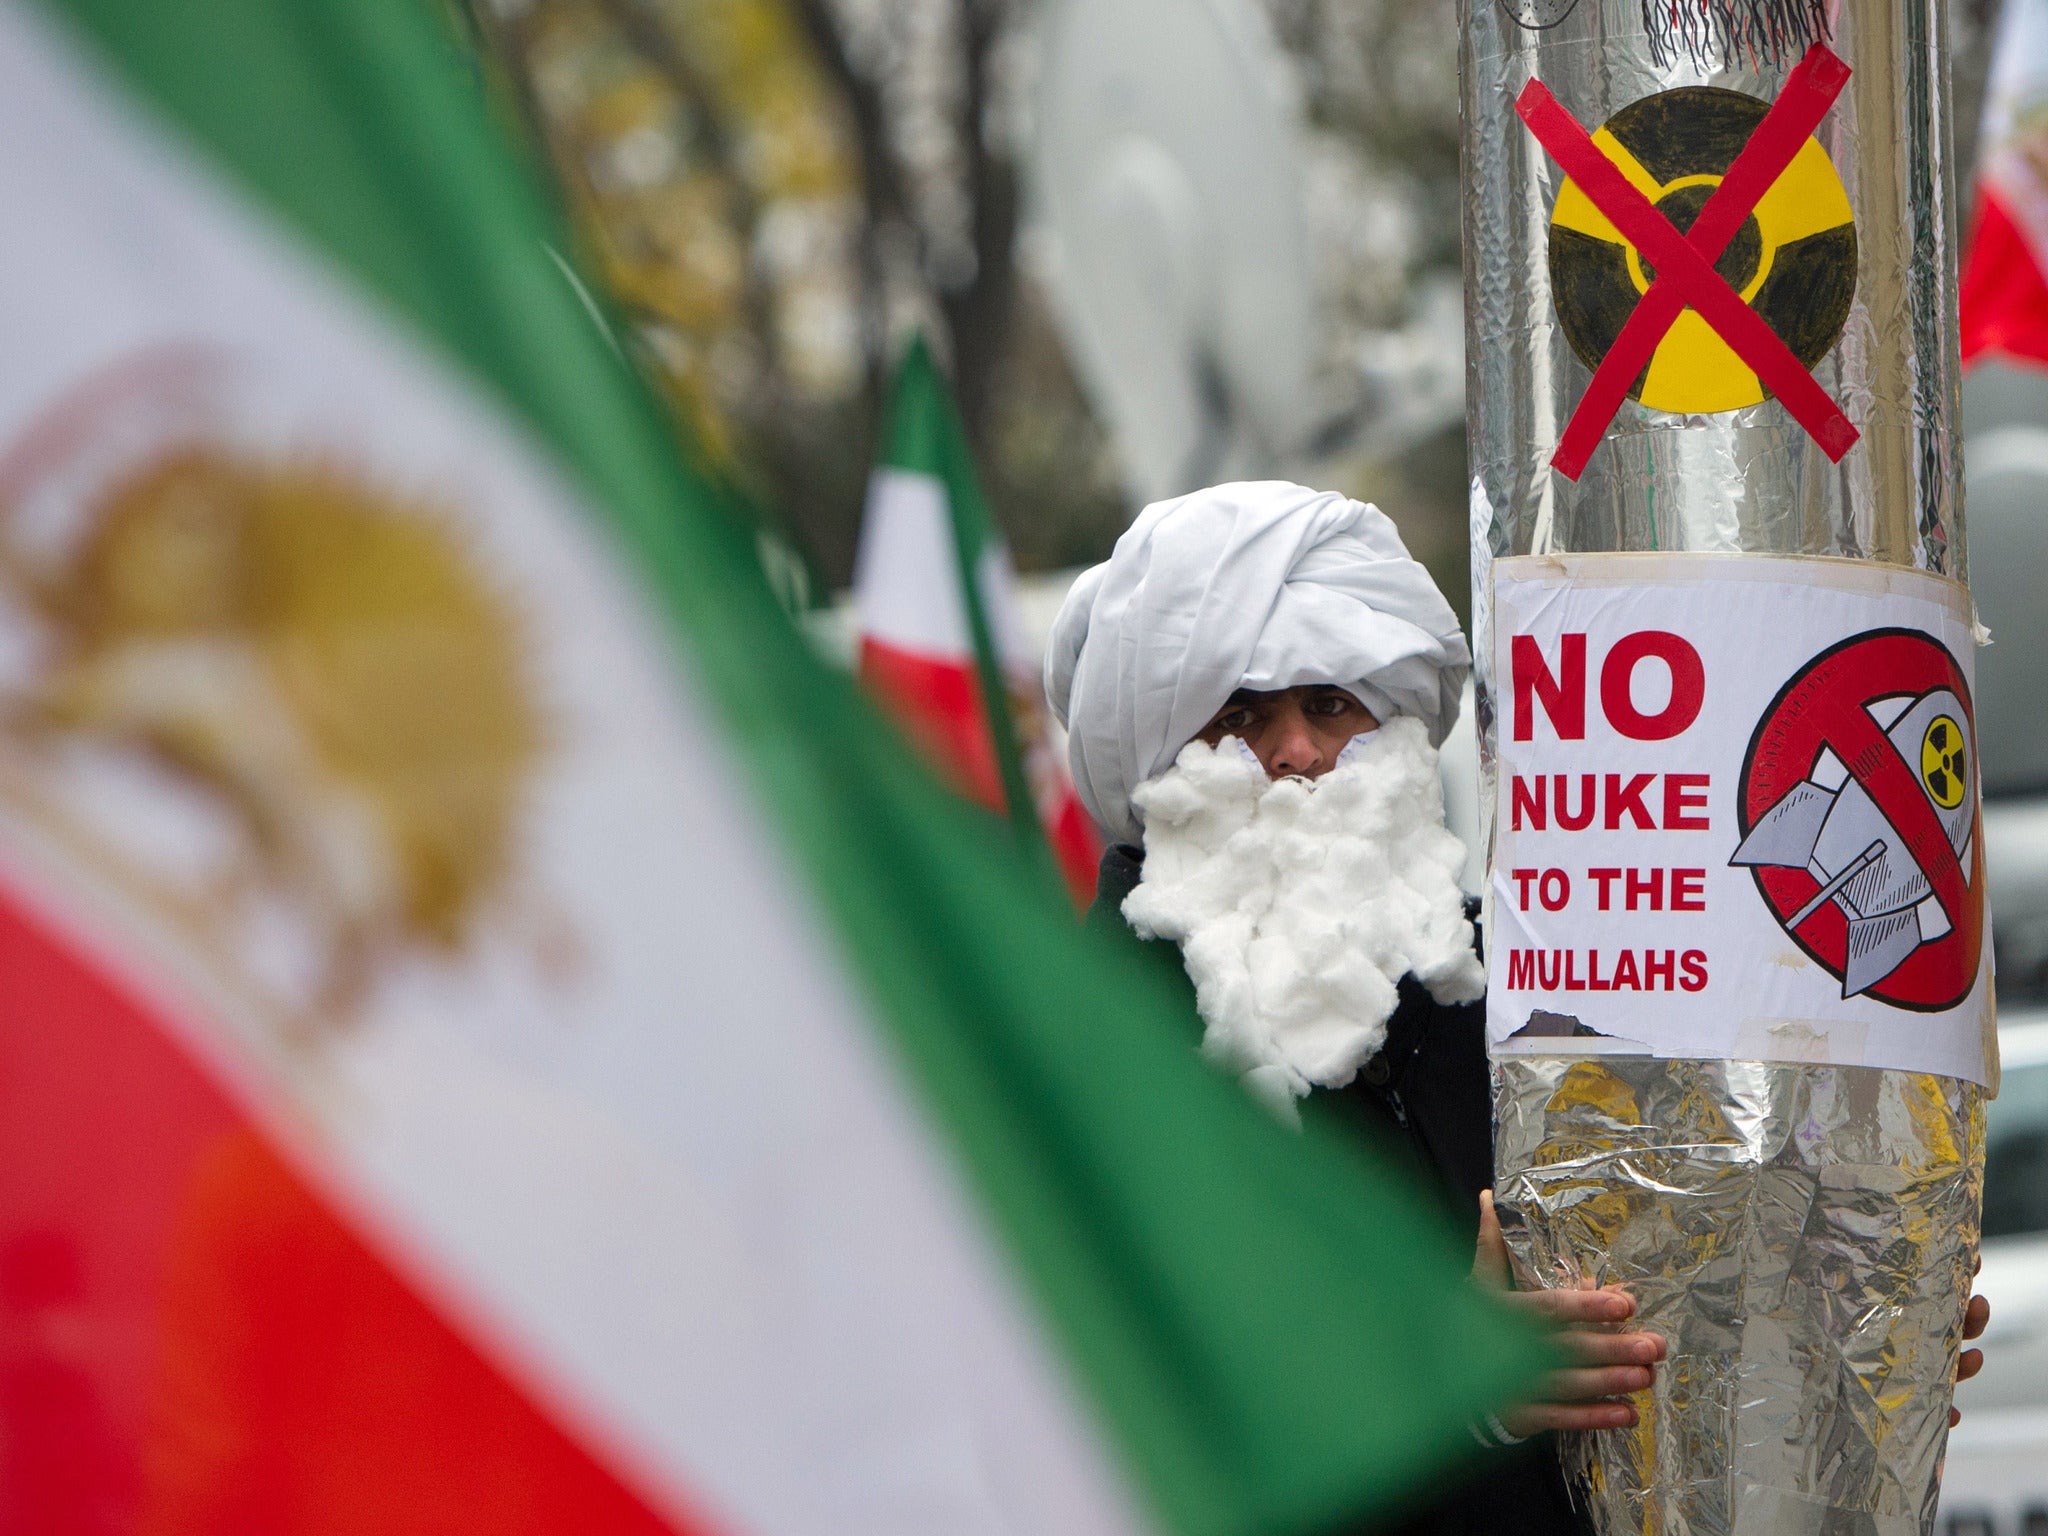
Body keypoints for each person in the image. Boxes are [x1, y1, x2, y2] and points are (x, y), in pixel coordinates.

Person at [1045, 481, 1988, 1535]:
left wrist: (1826, 1333)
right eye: (1240, 717)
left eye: (1330, 706)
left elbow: (1639, 1278)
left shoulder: (1502, 978)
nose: (1299, 754)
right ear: (1159, 758)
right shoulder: (1092, 1045)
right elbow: (1101, 1395)